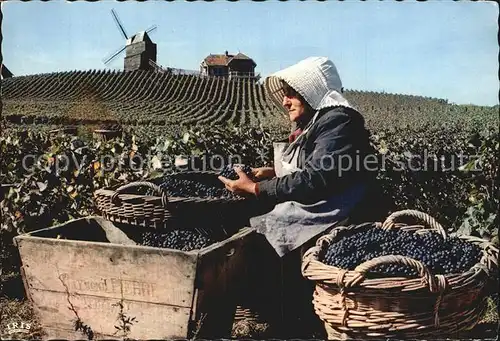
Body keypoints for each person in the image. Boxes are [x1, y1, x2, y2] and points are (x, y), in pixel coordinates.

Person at [218, 56, 379, 256]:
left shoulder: (338, 121)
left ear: (312, 91)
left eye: (291, 94)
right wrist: (272, 173)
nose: (285, 102)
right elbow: (314, 166)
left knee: (255, 244)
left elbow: (316, 177)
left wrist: (255, 188)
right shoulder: (313, 123)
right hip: (310, 208)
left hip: (331, 220)